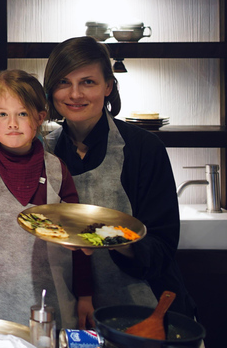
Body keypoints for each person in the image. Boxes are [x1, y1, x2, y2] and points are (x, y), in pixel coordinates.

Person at [43, 36, 196, 316]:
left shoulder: (144, 149)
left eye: (87, 82)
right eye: (64, 82)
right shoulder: (41, 151)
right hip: (67, 310)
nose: (75, 94)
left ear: (108, 86)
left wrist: (112, 238)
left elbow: (162, 247)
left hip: (142, 309)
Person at [0, 70, 93, 329]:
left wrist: (85, 295)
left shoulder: (57, 170)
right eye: (3, 114)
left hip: (52, 290)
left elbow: (78, 234)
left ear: (40, 117)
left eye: (22, 114)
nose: (12, 123)